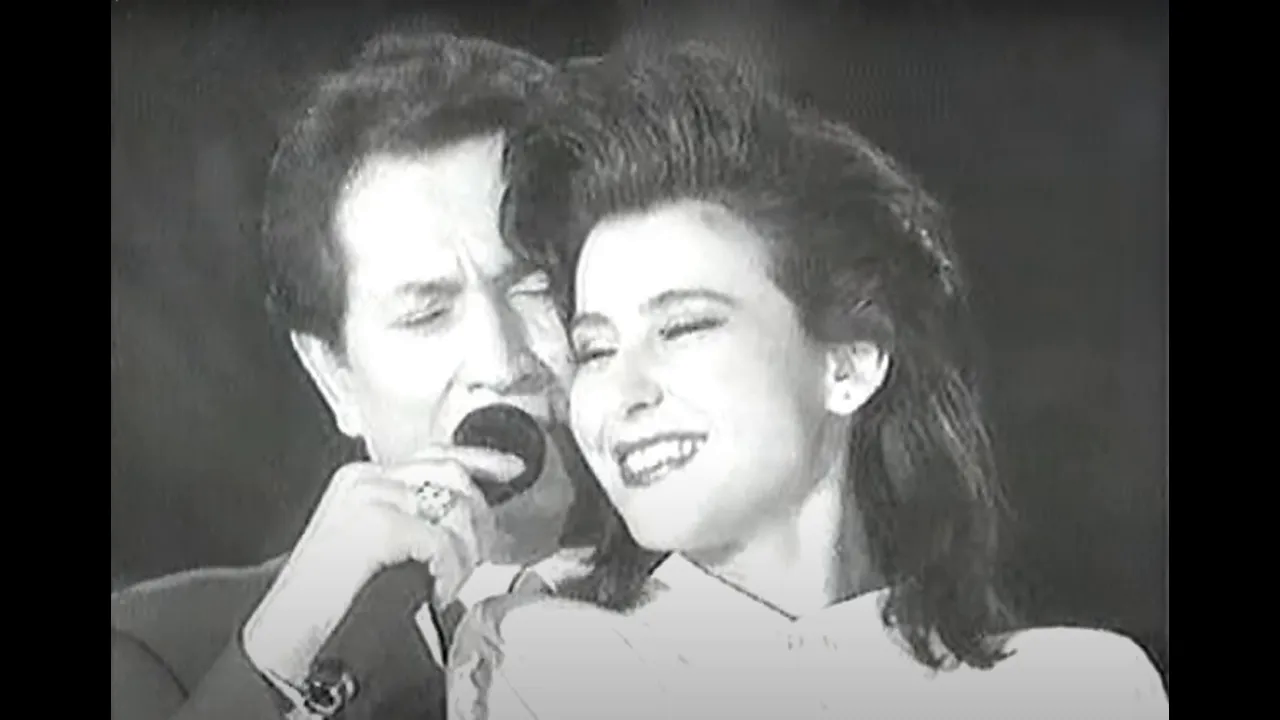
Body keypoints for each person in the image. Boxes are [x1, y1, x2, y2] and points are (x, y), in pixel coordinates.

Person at [444, 43, 1170, 718]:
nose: (622, 394)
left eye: (684, 327)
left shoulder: (1078, 689)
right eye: (595, 349)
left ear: (848, 365)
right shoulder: (538, 658)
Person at [111, 30, 604, 720]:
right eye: (426, 315)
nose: (502, 363)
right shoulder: (158, 652)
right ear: (333, 376)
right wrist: (281, 655)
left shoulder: (750, 589)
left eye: (535, 288)